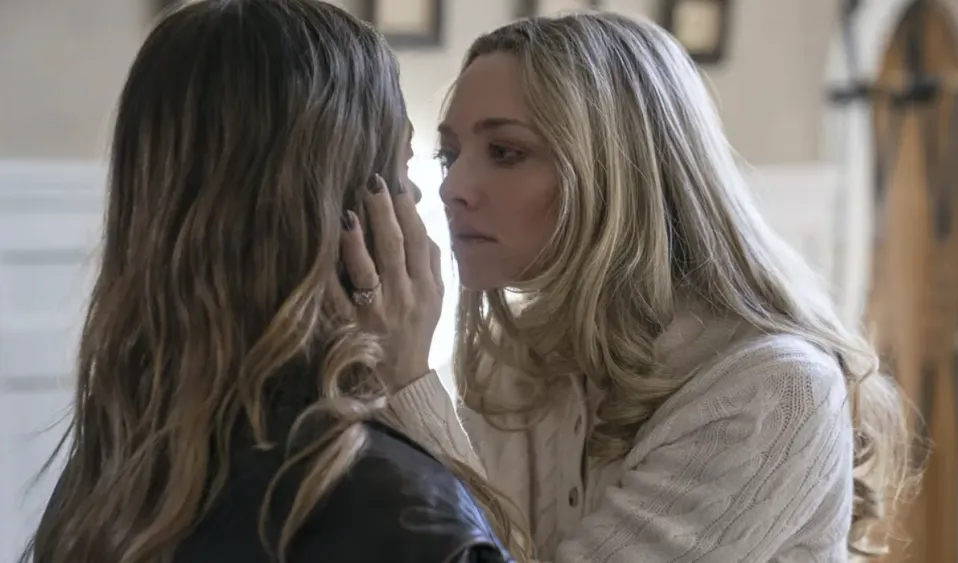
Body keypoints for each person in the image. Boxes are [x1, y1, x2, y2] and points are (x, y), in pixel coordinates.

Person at [348, 11, 916, 563]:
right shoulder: (513, 362)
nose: (453, 188)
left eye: (505, 152)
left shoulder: (774, 390)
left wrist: (408, 379)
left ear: (614, 171)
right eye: (449, 155)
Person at [20, 1, 523, 562]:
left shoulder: (107, 478)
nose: (429, 195)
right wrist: (411, 388)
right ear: (351, 210)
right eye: (406, 169)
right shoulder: (402, 512)